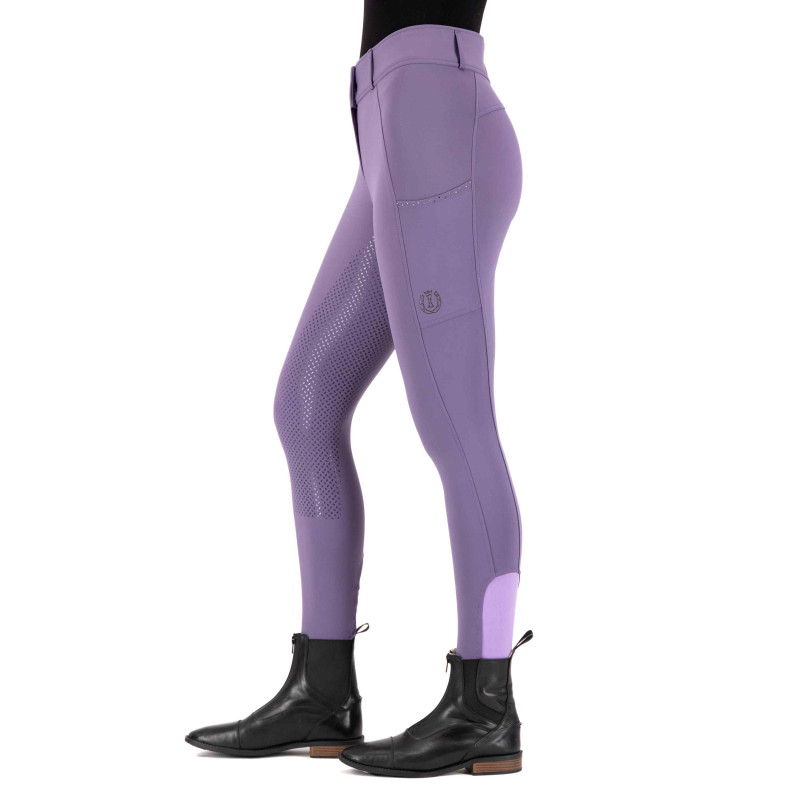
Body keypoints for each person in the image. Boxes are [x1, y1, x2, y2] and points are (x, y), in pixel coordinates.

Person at [186, 0, 531, 777]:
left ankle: (485, 704)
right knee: (306, 401)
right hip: (391, 133)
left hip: (436, 124)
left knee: (454, 422)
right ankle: (323, 690)